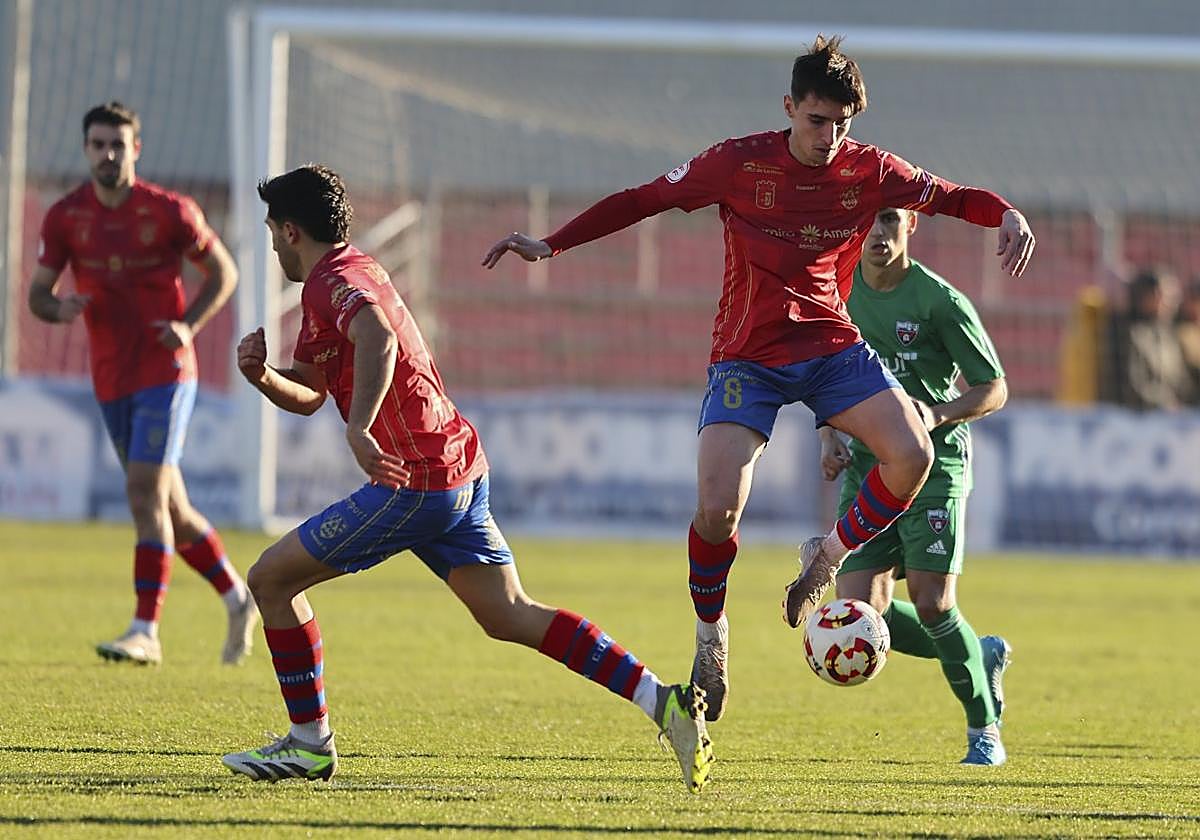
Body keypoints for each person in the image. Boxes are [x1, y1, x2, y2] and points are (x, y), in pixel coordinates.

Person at [482, 36, 1035, 722]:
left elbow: (953, 196)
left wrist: (1005, 212)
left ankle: (826, 556)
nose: (829, 136)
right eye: (816, 120)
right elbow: (645, 198)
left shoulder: (869, 170)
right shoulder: (737, 163)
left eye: (841, 123)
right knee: (718, 510)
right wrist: (553, 242)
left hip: (832, 346)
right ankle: (711, 638)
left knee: (914, 454)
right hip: (747, 355)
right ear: (789, 108)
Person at [222, 164, 714, 793]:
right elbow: (312, 393)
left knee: (270, 579)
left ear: (290, 230)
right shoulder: (352, 270)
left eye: (271, 231)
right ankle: (663, 703)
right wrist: (263, 376)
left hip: (415, 482)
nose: (270, 243)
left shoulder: (335, 283)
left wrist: (361, 428)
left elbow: (377, 337)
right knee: (509, 614)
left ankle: (310, 745)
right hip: (456, 470)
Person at [27, 101, 256, 666]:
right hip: (110, 376)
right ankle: (237, 597)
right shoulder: (64, 218)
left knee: (142, 492)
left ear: (137, 148)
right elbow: (38, 294)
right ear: (86, 150)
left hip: (165, 371)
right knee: (172, 511)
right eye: (99, 144)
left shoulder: (170, 211)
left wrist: (188, 325)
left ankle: (145, 630)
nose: (109, 154)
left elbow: (223, 272)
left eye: (118, 144)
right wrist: (60, 311)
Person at [818, 206, 1012, 765]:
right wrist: (828, 434)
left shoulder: (939, 301)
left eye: (890, 220)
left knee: (931, 603)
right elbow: (825, 374)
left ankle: (985, 731)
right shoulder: (837, 290)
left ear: (911, 226)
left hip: (934, 468)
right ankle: (978, 653)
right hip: (867, 469)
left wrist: (935, 415)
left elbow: (993, 387)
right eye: (869, 222)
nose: (879, 233)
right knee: (857, 614)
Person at [1101, 268, 1189, 410]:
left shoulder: (1166, 331)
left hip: (1168, 415)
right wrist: (1165, 405)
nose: (1169, 302)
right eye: (1162, 295)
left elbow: (1180, 381)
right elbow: (1129, 387)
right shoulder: (1125, 332)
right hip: (1131, 419)